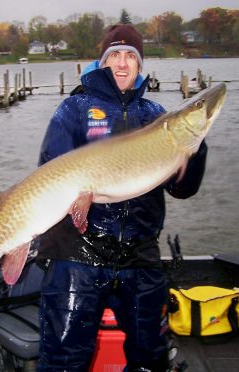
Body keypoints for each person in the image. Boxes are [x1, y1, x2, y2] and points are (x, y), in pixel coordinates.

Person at [36, 24, 207, 371]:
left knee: (151, 358)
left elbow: (182, 189)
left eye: (131, 56)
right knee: (64, 361)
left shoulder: (157, 116)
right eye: (115, 54)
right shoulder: (73, 110)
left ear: (140, 66)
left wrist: (196, 148)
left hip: (140, 255)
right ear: (102, 62)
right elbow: (49, 178)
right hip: (78, 253)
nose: (123, 63)